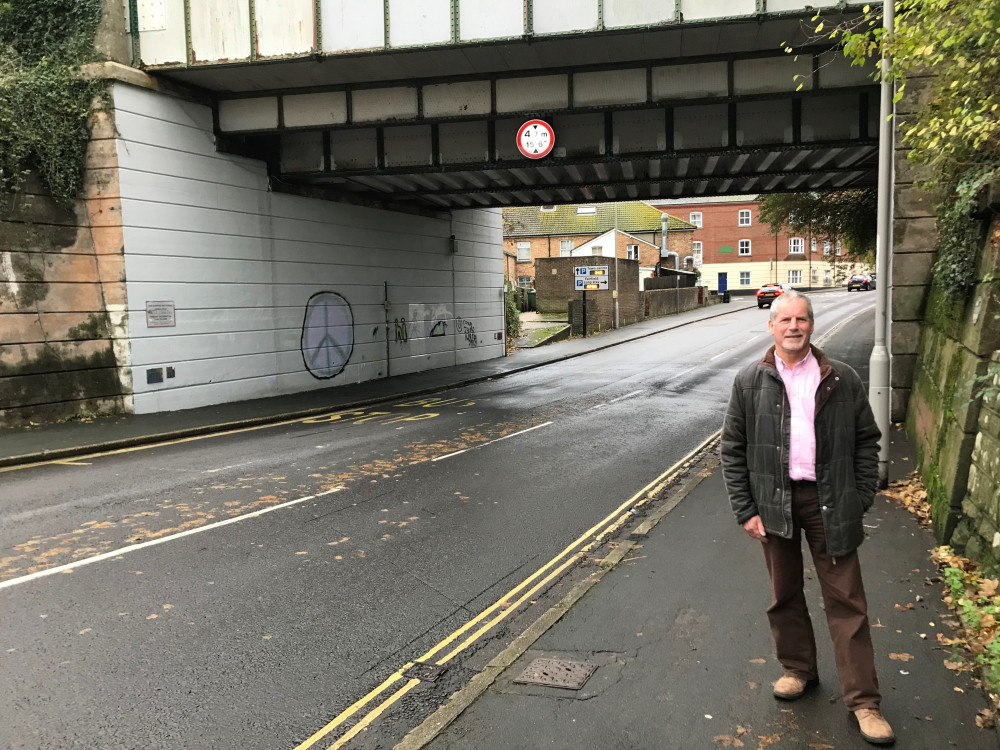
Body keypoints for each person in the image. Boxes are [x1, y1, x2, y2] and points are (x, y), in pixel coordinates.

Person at [720, 291, 893, 746]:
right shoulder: (747, 381)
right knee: (784, 595)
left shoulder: (843, 379)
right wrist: (746, 509)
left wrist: (860, 497)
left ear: (811, 326)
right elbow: (732, 451)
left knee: (847, 602)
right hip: (773, 502)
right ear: (771, 326)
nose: (793, 326)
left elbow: (867, 442)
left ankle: (864, 702)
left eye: (801, 319)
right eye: (785, 320)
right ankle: (798, 671)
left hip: (830, 501)